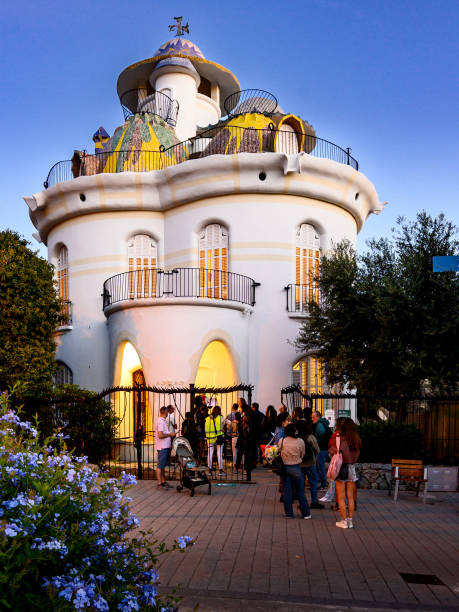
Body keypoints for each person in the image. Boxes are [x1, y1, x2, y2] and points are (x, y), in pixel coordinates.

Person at [329, 417, 361, 529]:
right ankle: (350, 520)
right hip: (352, 467)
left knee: (341, 497)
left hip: (341, 468)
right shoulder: (356, 439)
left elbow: (334, 451)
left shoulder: (339, 438)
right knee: (351, 497)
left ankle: (343, 521)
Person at [278, 423, 311, 519]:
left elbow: (279, 451)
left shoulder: (282, 441)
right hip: (296, 467)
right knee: (300, 491)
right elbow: (303, 454)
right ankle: (306, 514)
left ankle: (289, 513)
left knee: (287, 491)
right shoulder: (300, 441)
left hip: (285, 467)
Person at [296, 420, 324, 509]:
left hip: (299, 463)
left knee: (300, 484)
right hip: (310, 463)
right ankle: (314, 501)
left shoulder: (296, 438)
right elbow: (317, 450)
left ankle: (302, 503)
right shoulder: (310, 437)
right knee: (313, 483)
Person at [154, 406, 176, 489]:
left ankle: (163, 481)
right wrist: (170, 434)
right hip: (162, 447)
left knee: (162, 465)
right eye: (167, 411)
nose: (168, 413)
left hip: (165, 446)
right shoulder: (160, 422)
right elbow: (160, 435)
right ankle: (159, 483)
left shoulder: (163, 421)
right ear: (165, 412)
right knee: (160, 466)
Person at [311, 410, 332, 489]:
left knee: (320, 467)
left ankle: (323, 484)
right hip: (324, 448)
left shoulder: (319, 424)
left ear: (318, 417)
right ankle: (323, 483)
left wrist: (317, 441)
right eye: (311, 417)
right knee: (320, 466)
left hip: (321, 449)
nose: (312, 419)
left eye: (313, 417)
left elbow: (322, 433)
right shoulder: (323, 423)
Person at [205, 405, 225, 475]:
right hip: (218, 438)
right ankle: (220, 470)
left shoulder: (207, 418)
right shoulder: (221, 418)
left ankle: (209, 470)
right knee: (219, 454)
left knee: (209, 453)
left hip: (210, 438)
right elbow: (227, 425)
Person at [235, 408, 253, 481]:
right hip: (247, 444)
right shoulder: (250, 427)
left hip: (241, 444)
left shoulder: (240, 425)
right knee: (246, 458)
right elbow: (250, 435)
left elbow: (240, 434)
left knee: (239, 456)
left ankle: (237, 468)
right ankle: (246, 471)